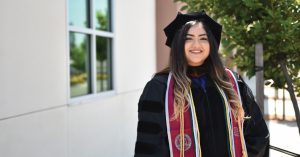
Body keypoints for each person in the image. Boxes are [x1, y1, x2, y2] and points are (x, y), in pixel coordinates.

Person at [134, 11, 269, 157]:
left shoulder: (231, 82)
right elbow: (149, 146)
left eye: (203, 38)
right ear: (178, 44)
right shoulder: (159, 87)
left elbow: (258, 135)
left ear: (211, 44)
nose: (196, 45)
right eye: (188, 38)